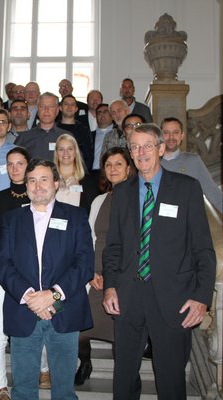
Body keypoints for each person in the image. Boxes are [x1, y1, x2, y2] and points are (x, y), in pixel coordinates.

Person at [102, 123, 216, 399]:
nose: (140, 152)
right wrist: (110, 287)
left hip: (174, 297)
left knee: (171, 378)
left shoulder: (187, 189)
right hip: (128, 295)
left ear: (161, 149)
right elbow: (113, 247)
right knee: (125, 376)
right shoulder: (122, 193)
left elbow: (203, 248)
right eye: (135, 147)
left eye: (147, 146)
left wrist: (201, 297)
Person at [0, 158, 94, 400]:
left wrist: (53, 295)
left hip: (63, 309)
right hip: (24, 310)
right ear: (25, 185)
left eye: (43, 179)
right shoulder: (11, 219)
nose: (37, 186)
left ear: (56, 183)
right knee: (23, 389)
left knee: (63, 391)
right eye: (32, 180)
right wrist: (31, 298)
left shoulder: (76, 216)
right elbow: (2, 264)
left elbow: (84, 264)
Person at [75, 147, 135, 386]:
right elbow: (89, 237)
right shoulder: (100, 200)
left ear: (129, 168)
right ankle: (85, 362)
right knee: (80, 328)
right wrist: (90, 271)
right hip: (96, 272)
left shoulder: (138, 198)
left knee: (121, 332)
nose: (113, 169)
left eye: (118, 164)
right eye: (108, 165)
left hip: (124, 275)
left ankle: (126, 376)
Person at [0, 147, 30, 400]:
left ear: (28, 165)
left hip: (30, 271)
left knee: (32, 324)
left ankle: (42, 369)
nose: (15, 168)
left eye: (20, 163)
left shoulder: (39, 194)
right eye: (10, 164)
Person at [160, 116, 222, 213]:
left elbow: (213, 192)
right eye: (166, 133)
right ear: (160, 136)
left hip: (186, 221)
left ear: (182, 135)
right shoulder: (152, 162)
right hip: (158, 221)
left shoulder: (193, 161)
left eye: (175, 133)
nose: (171, 137)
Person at [15, 92, 70, 161]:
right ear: (38, 110)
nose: (46, 110)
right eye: (42, 106)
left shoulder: (67, 137)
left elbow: (76, 166)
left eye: (51, 106)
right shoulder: (24, 138)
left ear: (57, 111)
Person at [54, 133, 99, 215]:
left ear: (75, 152)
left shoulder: (88, 181)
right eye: (61, 149)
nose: (65, 153)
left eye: (70, 149)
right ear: (56, 153)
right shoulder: (49, 179)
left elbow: (93, 211)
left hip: (78, 226)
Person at [57, 95, 94, 172]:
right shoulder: (54, 128)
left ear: (76, 109)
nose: (69, 107)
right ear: (60, 108)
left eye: (72, 104)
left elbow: (88, 156)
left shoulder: (84, 130)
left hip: (78, 173)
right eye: (66, 104)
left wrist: (82, 174)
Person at [91, 103, 114, 172]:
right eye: (99, 113)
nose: (102, 114)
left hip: (113, 171)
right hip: (94, 173)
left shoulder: (118, 133)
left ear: (111, 115)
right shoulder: (89, 135)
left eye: (105, 112)